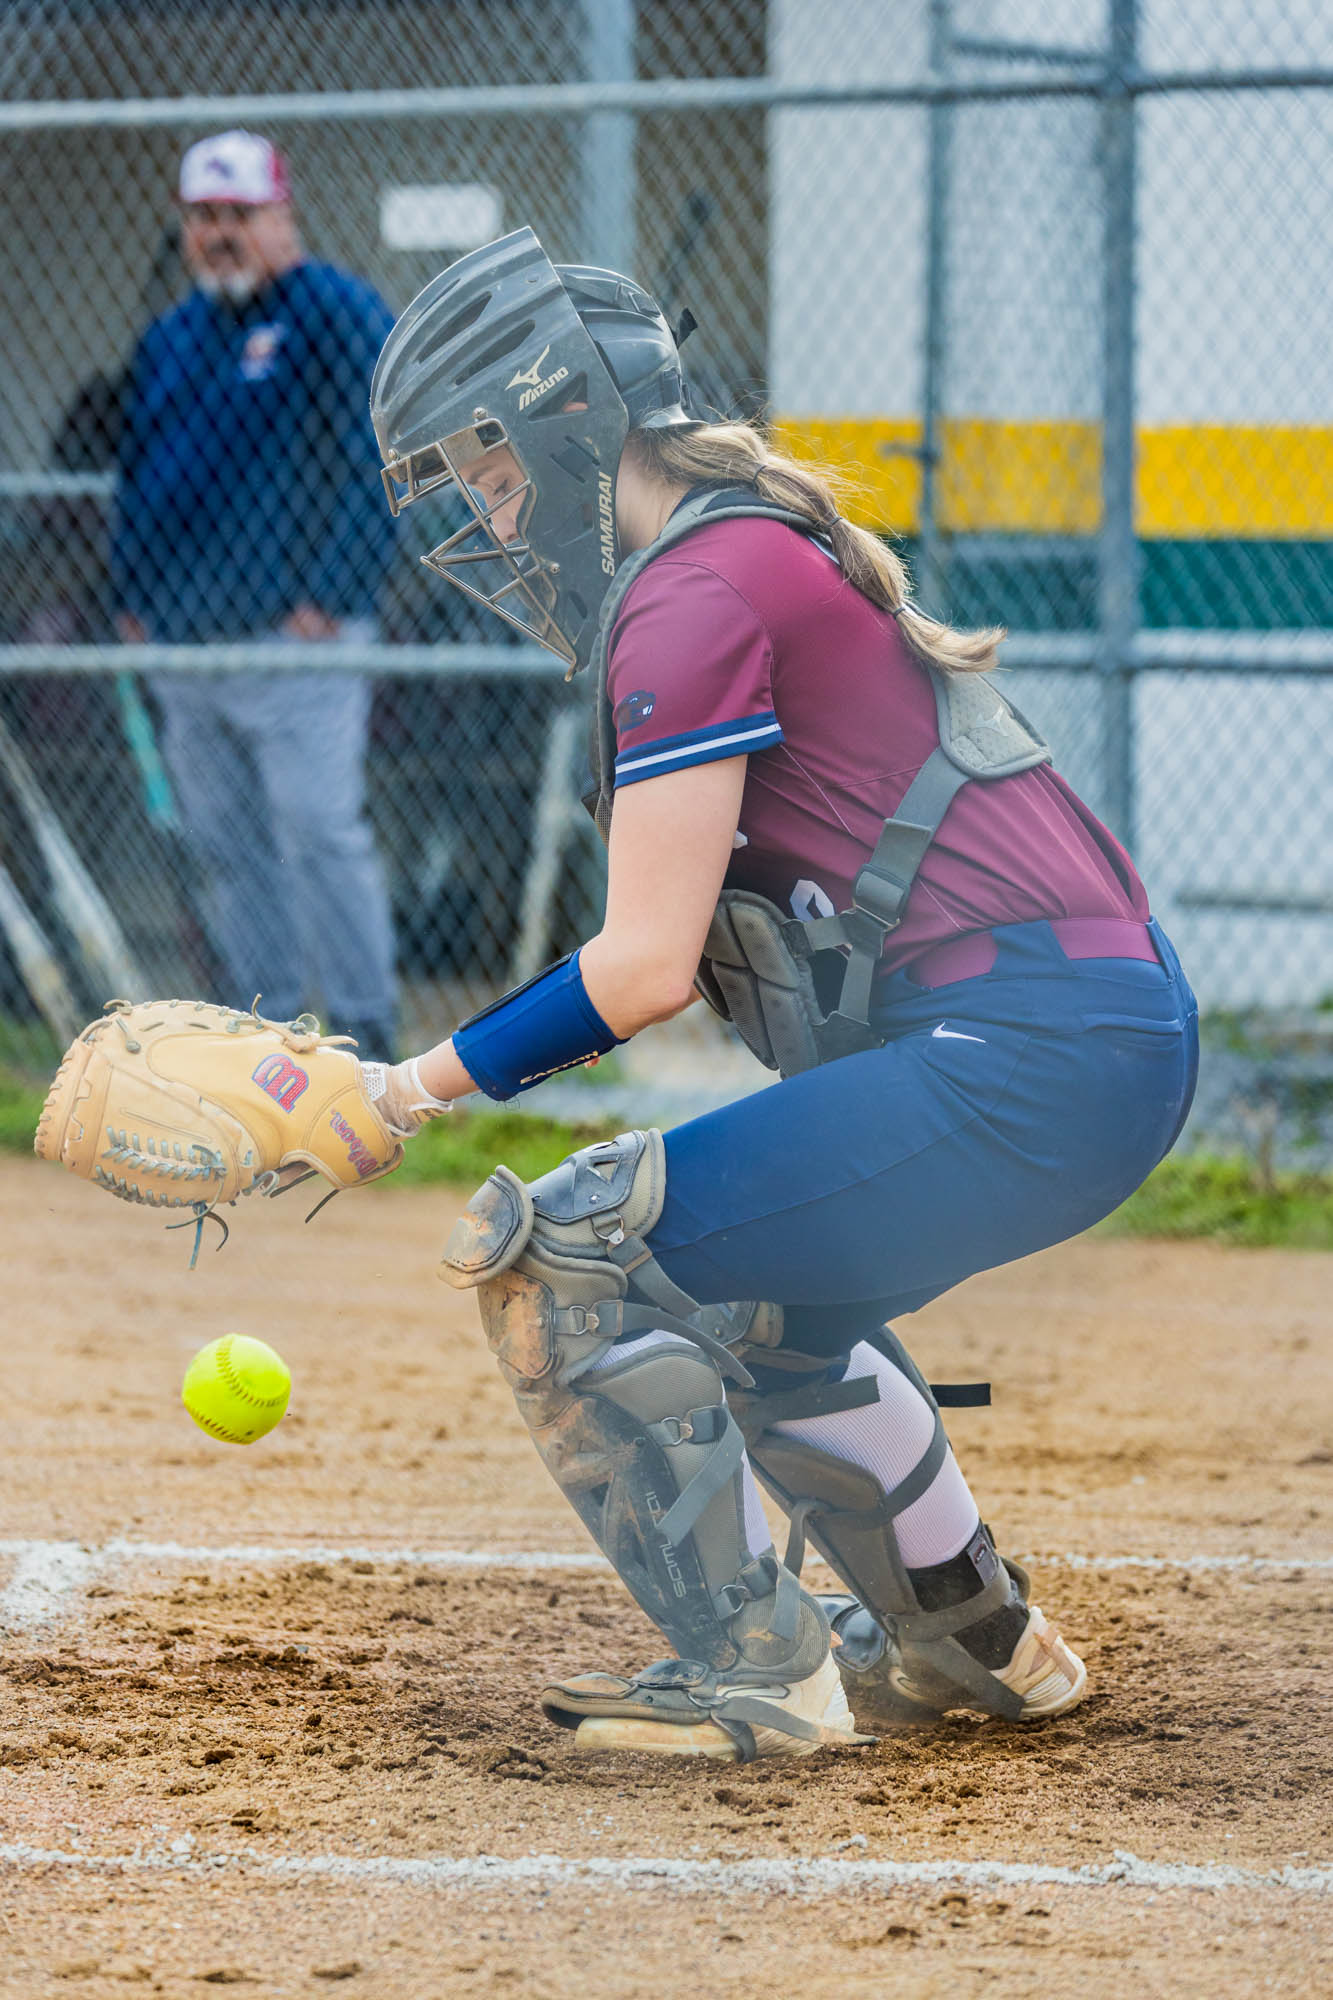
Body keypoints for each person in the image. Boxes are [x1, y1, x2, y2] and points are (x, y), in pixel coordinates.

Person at [359, 226, 1199, 1764]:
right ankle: (974, 1639)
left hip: (1032, 1049)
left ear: (564, 419)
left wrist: (391, 1096)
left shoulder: (692, 593)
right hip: (1092, 1036)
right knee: (760, 1302)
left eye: (488, 470)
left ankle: (757, 1667)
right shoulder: (732, 551)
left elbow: (640, 970)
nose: (490, 520)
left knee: (569, 1248)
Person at [111, 131, 399, 1058]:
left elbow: (386, 457)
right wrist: (132, 596)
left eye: (239, 213)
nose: (220, 232)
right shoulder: (172, 335)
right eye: (203, 216)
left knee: (319, 831)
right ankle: (266, 1040)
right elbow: (136, 474)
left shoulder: (335, 311)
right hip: (186, 645)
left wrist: (332, 595)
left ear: (282, 216)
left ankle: (366, 1037)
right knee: (228, 850)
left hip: (296, 642)